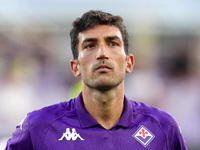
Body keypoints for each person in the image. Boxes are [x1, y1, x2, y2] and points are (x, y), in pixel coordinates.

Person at [5, 10, 187, 150]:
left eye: (113, 43)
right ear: (75, 67)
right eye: (90, 45)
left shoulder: (162, 127)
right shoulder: (39, 126)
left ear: (129, 63)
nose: (102, 53)